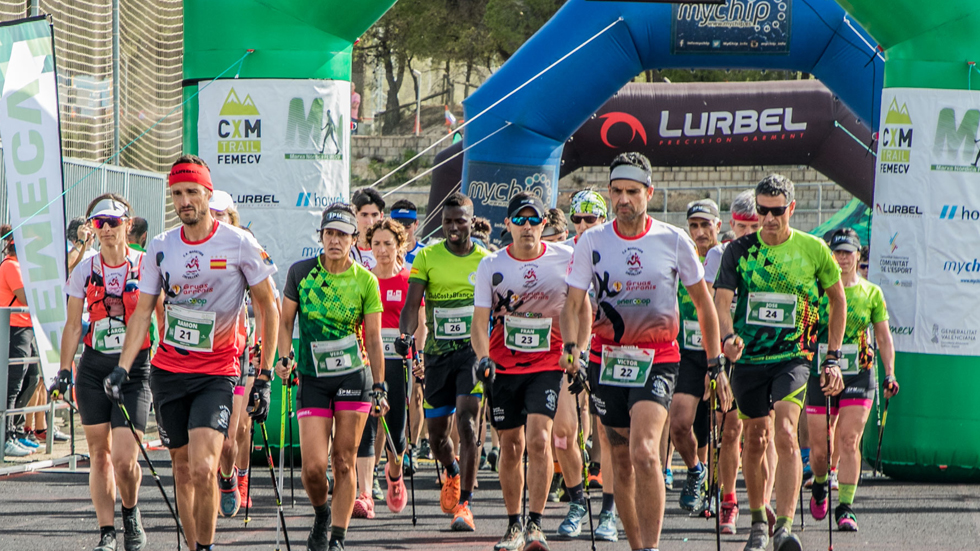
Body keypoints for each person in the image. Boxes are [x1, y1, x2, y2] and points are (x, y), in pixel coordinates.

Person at [110, 155, 280, 551]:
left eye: (191, 192)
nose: (184, 200)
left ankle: (205, 546)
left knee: (204, 468)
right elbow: (141, 314)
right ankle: (192, 545)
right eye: (177, 194)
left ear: (207, 193)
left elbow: (268, 306)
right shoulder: (160, 246)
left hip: (217, 372)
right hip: (168, 371)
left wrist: (265, 372)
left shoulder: (239, 243)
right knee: (182, 471)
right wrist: (123, 367)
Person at [561, 152, 729, 551]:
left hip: (658, 358)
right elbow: (572, 303)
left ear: (649, 193)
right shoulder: (592, 241)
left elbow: (705, 306)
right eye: (617, 191)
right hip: (606, 359)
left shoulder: (673, 240)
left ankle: (652, 548)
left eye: (632, 192)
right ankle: (637, 547)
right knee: (619, 459)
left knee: (644, 452)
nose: (624, 200)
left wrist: (714, 362)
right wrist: (573, 349)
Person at [713, 174, 846, 551]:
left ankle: (784, 527)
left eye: (776, 211)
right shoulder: (739, 251)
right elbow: (722, 303)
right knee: (756, 438)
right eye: (762, 211)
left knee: (786, 432)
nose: (768, 219)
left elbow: (838, 300)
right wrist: (727, 339)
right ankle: (758, 521)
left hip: (794, 356)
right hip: (751, 357)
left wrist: (831, 357)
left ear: (791, 208)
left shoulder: (813, 249)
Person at [276, 203, 388, 551]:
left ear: (355, 239)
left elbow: (373, 338)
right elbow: (284, 322)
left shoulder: (365, 280)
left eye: (342, 234)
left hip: (354, 376)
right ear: (321, 236)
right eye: (329, 234)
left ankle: (337, 537)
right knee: (311, 468)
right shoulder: (301, 273)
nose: (335, 240)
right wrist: (284, 357)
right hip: (312, 376)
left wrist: (380, 387)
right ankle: (322, 512)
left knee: (343, 460)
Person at [472, 193, 574, 551]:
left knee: (540, 440)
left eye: (534, 220)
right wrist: (483, 357)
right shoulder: (491, 265)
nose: (528, 227)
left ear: (544, 225)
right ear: (508, 224)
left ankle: (536, 524)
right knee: (510, 446)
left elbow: (582, 304)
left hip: (547, 363)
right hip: (503, 366)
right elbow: (479, 323)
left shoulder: (565, 258)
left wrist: (577, 349)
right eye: (521, 219)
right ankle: (513, 524)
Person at [58, 195, 156, 551]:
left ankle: (130, 512)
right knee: (99, 455)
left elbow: (161, 314)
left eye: (114, 223)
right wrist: (63, 369)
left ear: (128, 225)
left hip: (134, 369)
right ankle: (106, 532)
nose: (107, 230)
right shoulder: (85, 269)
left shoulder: (146, 265)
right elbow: (72, 325)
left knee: (124, 460)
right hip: (94, 366)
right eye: (100, 224)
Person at [396, 192, 491, 531]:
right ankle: (451, 471)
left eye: (459, 221)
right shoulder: (428, 257)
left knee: (466, 422)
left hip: (471, 354)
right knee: (437, 436)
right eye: (447, 221)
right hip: (437, 355)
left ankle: (465, 504)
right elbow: (412, 305)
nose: (453, 227)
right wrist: (406, 336)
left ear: (471, 221)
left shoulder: (485, 259)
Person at [806, 228, 898, 532]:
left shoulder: (871, 292)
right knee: (819, 449)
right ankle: (821, 482)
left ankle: (845, 507)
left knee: (848, 440)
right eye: (838, 252)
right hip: (821, 370)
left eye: (849, 252)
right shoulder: (819, 289)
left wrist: (890, 373)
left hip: (858, 372)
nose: (843, 258)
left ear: (859, 255)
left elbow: (883, 336)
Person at [703, 190, 771, 535]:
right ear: (731, 224)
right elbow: (711, 310)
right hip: (729, 350)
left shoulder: (773, 254)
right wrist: (715, 357)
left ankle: (766, 500)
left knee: (764, 432)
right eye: (742, 226)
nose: (747, 233)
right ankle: (728, 499)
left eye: (753, 226)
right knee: (729, 428)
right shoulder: (720, 255)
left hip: (764, 351)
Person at [351, 218, 426, 519]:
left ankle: (394, 475)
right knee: (366, 428)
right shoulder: (363, 279)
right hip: (368, 363)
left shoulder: (409, 279)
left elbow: (420, 325)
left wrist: (418, 357)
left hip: (399, 362)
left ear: (400, 246)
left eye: (388, 244)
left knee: (396, 437)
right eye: (377, 244)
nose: (382, 250)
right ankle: (364, 494)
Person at [561, 188, 618, 537]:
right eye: (576, 219)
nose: (582, 225)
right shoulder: (564, 250)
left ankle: (609, 511)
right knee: (565, 434)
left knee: (608, 432)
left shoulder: (613, 246)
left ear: (603, 218)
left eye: (590, 218)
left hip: (611, 348)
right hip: (574, 349)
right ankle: (576, 503)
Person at [209, 189, 265, 518]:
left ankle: (239, 479)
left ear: (233, 218)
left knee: (239, 429)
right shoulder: (194, 250)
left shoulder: (245, 246)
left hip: (240, 350)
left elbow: (263, 302)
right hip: (205, 352)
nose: (216, 220)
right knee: (218, 430)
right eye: (211, 214)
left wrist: (260, 339)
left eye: (222, 215)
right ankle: (223, 476)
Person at [670, 199, 724, 513]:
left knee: (720, 427)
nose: (700, 232)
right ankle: (695, 470)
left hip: (718, 352)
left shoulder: (727, 257)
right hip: (686, 352)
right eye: (694, 225)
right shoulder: (682, 257)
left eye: (706, 225)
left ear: (719, 226)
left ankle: (717, 491)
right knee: (679, 422)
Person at [0, 226, 42, 458]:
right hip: (15, 328)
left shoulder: (19, 266)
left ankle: (14, 432)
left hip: (24, 327)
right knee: (13, 383)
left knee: (30, 378)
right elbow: (28, 296)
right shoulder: (11, 266)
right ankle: (5, 437)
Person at [352, 188, 385, 269]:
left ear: (381, 216)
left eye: (374, 215)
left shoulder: (389, 252)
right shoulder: (345, 251)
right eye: (364, 215)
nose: (370, 222)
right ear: (354, 215)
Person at [389, 200, 425, 267]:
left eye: (407, 227)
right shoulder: (383, 254)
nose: (402, 232)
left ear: (416, 224)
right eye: (397, 227)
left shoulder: (425, 253)